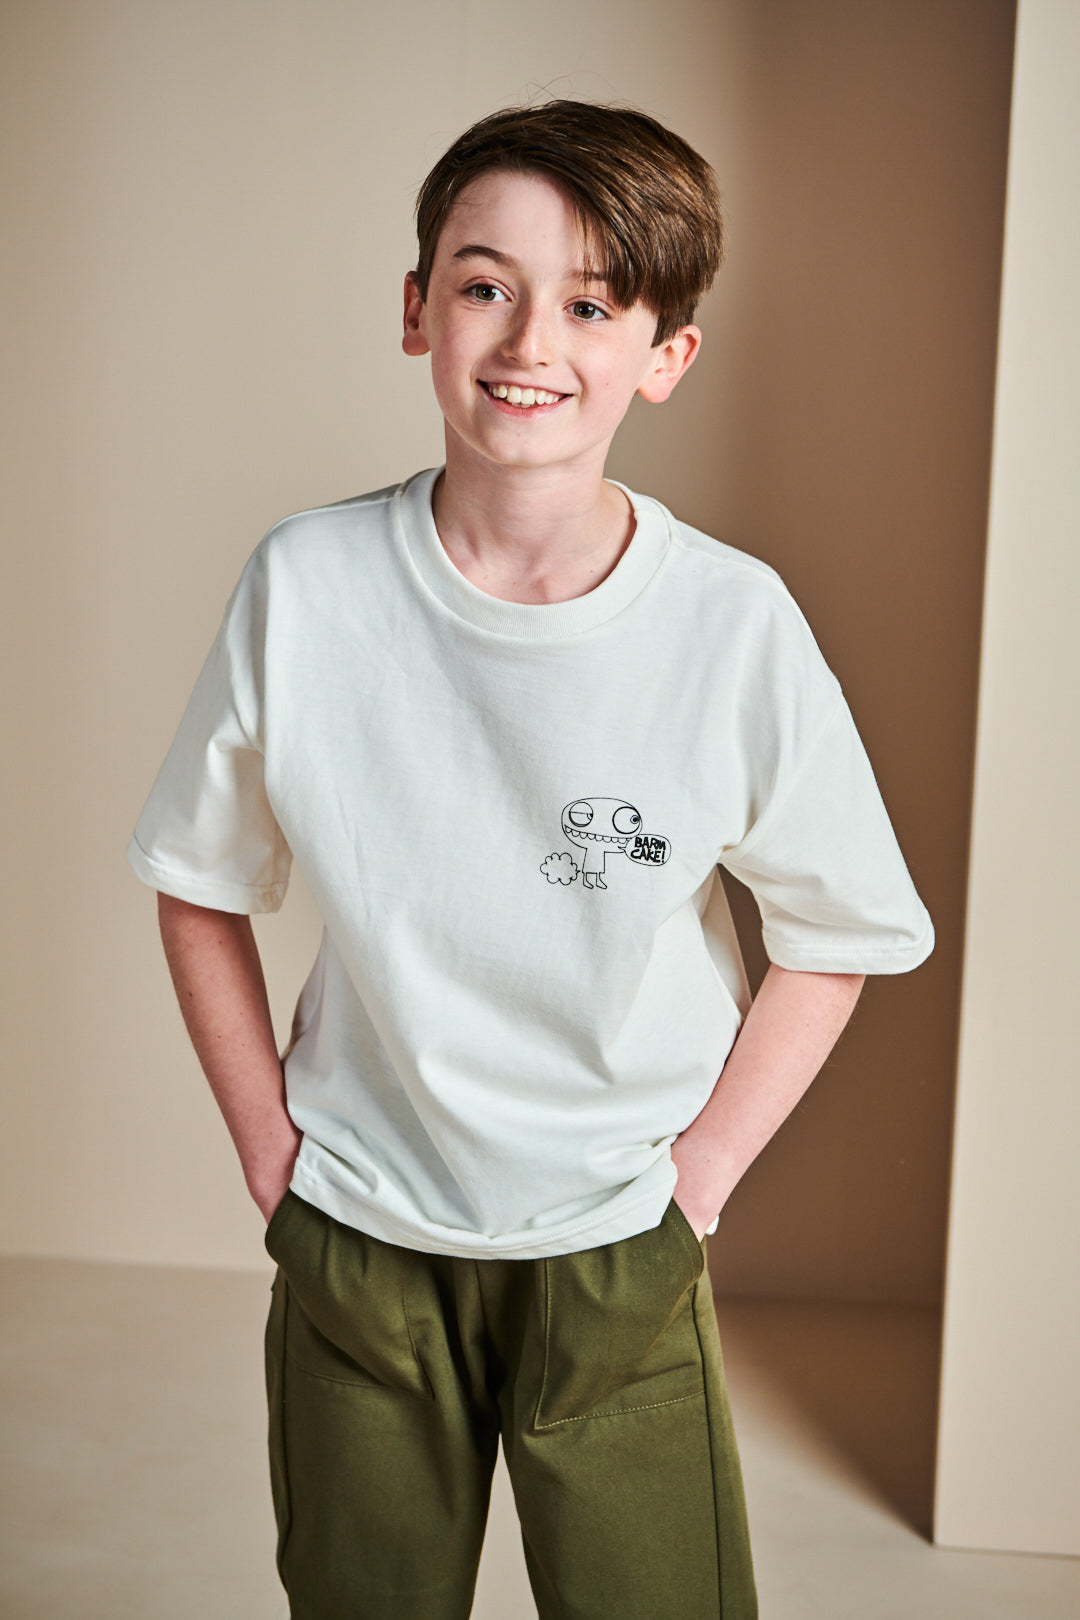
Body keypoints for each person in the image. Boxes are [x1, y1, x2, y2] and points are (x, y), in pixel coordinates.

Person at [127, 100, 933, 1619]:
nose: (528, 340)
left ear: (665, 354)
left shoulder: (732, 625)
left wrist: (695, 1188)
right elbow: (196, 876)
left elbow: (846, 933)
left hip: (618, 1237)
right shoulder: (306, 589)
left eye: (592, 301)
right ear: (419, 306)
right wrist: (267, 1156)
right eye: (486, 282)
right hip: (362, 1228)